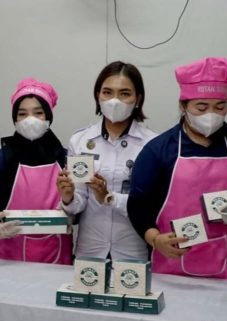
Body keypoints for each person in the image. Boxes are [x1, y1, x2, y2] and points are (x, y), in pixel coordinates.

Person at [128, 57, 227, 280]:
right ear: (183, 106)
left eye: (220, 107)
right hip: (172, 265)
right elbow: (138, 205)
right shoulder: (158, 150)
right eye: (201, 107)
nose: (210, 115)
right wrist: (155, 239)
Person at [58, 61, 157, 260]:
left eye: (124, 94)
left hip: (133, 250)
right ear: (98, 96)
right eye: (107, 92)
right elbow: (79, 203)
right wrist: (68, 197)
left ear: (138, 99)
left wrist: (109, 197)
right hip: (90, 249)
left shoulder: (152, 144)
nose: (114, 101)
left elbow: (150, 204)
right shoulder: (80, 140)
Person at [0, 78, 72, 264]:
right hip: (7, 259)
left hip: (57, 258)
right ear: (15, 119)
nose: (30, 119)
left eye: (38, 113)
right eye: (22, 114)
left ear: (49, 116)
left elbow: (80, 211)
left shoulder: (66, 160)